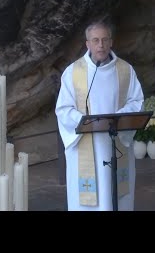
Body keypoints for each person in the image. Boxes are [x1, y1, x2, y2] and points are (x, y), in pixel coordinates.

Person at [55, 21, 144, 211]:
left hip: (116, 142)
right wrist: (83, 121)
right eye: (95, 40)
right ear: (87, 44)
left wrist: (117, 119)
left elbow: (136, 102)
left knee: (116, 198)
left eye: (104, 40)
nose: (100, 45)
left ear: (111, 42)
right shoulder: (73, 72)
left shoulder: (125, 70)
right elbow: (63, 109)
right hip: (86, 147)